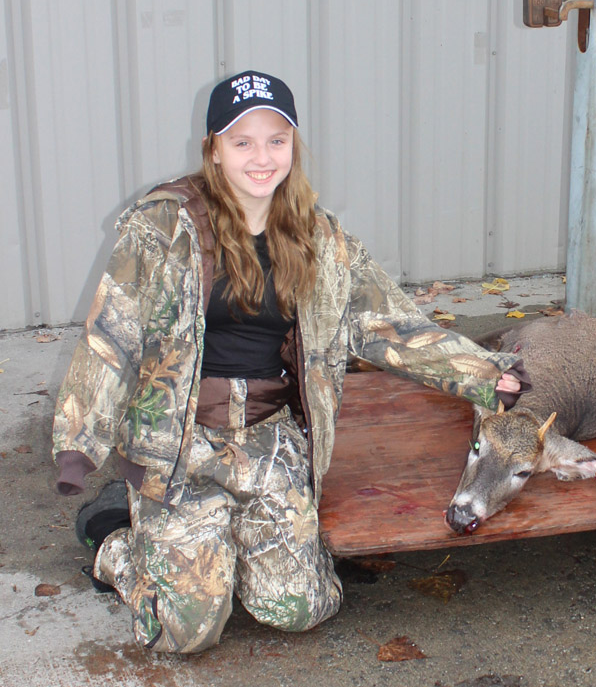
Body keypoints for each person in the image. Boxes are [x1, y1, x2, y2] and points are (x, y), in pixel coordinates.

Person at [52, 70, 526, 654]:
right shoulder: (162, 228)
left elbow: (387, 324)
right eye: (242, 142)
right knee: (184, 631)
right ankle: (116, 542)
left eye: (276, 140)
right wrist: (79, 439)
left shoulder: (320, 237)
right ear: (214, 149)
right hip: (179, 445)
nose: (262, 158)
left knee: (300, 608)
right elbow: (111, 333)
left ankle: (216, 546)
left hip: (270, 439)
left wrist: (483, 374)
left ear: (293, 146)